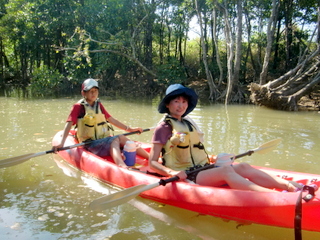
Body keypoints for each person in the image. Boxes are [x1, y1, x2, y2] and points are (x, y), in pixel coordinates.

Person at [148, 84, 303, 192]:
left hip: (205, 168)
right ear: (168, 104)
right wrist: (170, 172)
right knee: (226, 173)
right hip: (188, 175)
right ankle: (272, 196)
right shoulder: (164, 127)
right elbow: (152, 162)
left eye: (184, 102)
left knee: (243, 167)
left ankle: (290, 186)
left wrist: (213, 158)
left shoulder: (189, 123)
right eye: (176, 101)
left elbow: (195, 149)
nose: (181, 106)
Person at [52, 78, 149, 168]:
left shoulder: (98, 105)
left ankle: (151, 158)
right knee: (114, 140)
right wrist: (62, 143)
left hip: (102, 141)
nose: (93, 93)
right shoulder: (78, 107)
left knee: (122, 138)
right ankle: (122, 166)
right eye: (90, 91)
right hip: (90, 144)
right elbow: (69, 124)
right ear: (83, 93)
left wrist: (130, 129)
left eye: (95, 91)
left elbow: (112, 120)